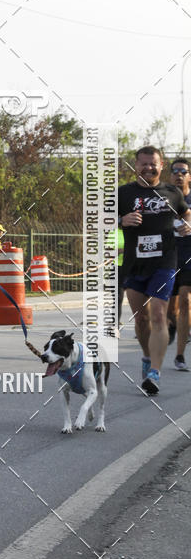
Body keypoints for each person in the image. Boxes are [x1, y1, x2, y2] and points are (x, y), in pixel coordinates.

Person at [118, 146, 191, 395]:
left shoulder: (172, 192)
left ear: (162, 166)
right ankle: (148, 357)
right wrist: (121, 221)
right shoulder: (123, 194)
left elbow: (187, 213)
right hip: (134, 264)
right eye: (143, 164)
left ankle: (154, 373)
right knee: (141, 319)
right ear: (135, 165)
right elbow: (97, 220)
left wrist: (187, 226)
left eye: (153, 164)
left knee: (159, 315)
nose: (148, 168)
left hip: (164, 263)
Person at [167, 158, 191, 370]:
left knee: (186, 300)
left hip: (189, 257)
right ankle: (173, 325)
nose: (179, 174)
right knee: (169, 310)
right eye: (175, 171)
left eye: (183, 171)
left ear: (189, 176)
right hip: (168, 257)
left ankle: (180, 355)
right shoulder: (163, 197)